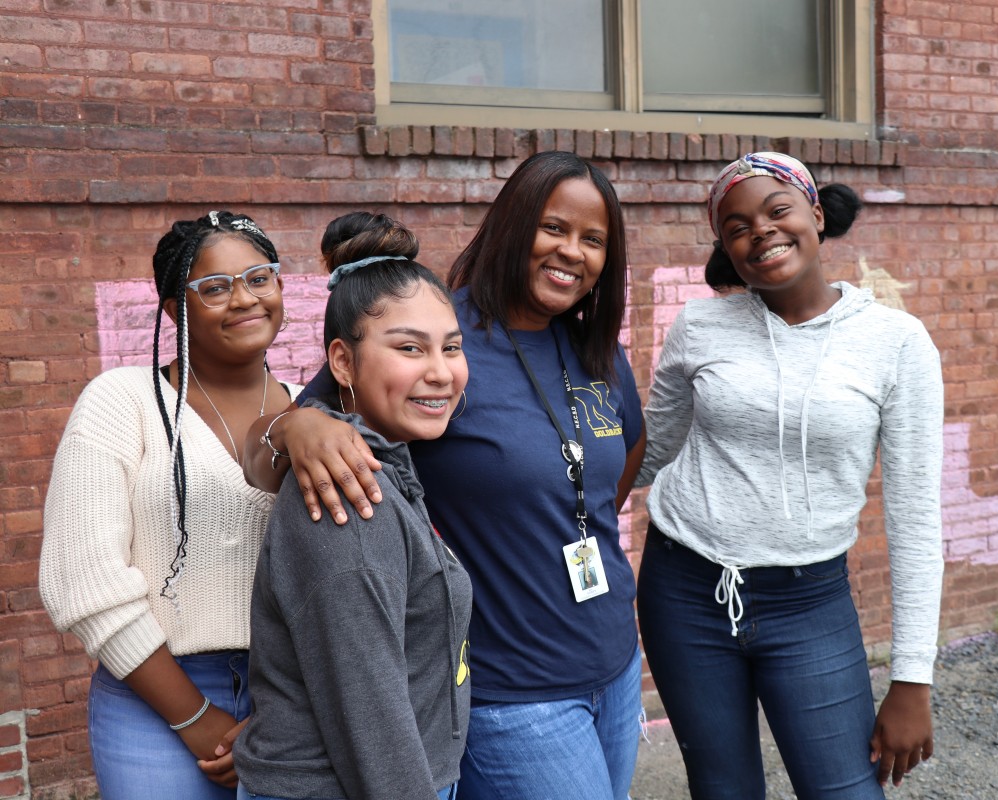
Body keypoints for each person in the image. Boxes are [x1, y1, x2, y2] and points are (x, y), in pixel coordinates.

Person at [243, 153, 646, 800]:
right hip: (509, 688)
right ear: (512, 226)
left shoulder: (594, 346)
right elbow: (300, 430)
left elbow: (622, 461)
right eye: (554, 228)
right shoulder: (439, 334)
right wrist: (295, 427)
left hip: (614, 662)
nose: (572, 251)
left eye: (593, 239)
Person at [634, 152, 945, 800]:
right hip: (683, 590)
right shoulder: (699, 326)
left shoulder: (897, 341)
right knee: (723, 790)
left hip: (808, 604)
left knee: (845, 791)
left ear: (816, 213)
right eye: (737, 225)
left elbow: (914, 515)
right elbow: (648, 454)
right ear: (725, 246)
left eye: (778, 210)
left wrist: (913, 677)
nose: (762, 232)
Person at [39, 211, 298, 798]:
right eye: (214, 287)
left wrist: (289, 707)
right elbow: (82, 580)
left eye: (260, 277)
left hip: (293, 693)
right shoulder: (121, 402)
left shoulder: (314, 415)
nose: (244, 299)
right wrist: (193, 715)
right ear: (173, 309)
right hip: (153, 694)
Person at [233, 214, 472, 800]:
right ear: (342, 363)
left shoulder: (385, 465)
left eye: (451, 347)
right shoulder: (349, 497)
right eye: (410, 348)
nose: (440, 372)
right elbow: (371, 715)